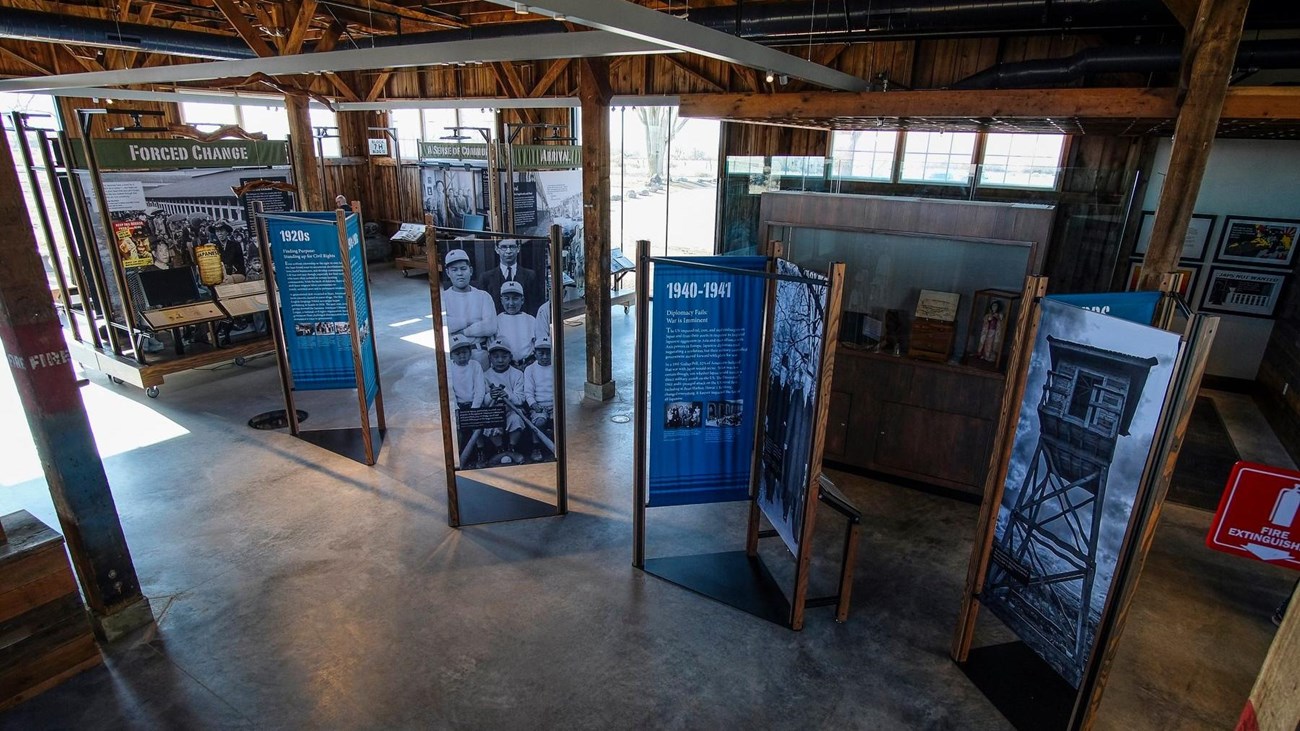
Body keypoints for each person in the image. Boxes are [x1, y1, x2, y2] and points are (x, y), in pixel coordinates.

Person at [441, 248, 496, 369]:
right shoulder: (443, 297)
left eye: (463, 269)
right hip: (455, 355)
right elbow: (445, 325)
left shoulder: (483, 296)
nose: (459, 273)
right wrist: (471, 321)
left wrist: (461, 331)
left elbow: (490, 327)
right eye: (454, 270)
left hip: (480, 354)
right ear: (447, 272)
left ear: (470, 270)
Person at [482, 339, 526, 460]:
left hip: (512, 409)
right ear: (490, 358)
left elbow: (520, 399)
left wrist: (506, 394)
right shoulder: (485, 375)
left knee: (516, 419)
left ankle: (511, 449)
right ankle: (500, 450)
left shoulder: (517, 374)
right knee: (490, 421)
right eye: (496, 357)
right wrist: (491, 395)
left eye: (504, 356)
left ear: (510, 357)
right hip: (494, 410)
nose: (500, 360)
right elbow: (484, 402)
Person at [447, 333, 486, 463]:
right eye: (458, 354)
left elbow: (480, 389)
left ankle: (481, 451)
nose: (462, 356)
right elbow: (450, 391)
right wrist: (457, 408)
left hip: (474, 405)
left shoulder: (475, 365)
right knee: (457, 428)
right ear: (452, 355)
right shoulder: (450, 369)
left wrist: (474, 409)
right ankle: (458, 455)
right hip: (458, 406)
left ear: (470, 352)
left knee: (477, 425)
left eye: (464, 352)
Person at [478, 239, 541, 315]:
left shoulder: (530, 275)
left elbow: (534, 306)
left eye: (512, 247)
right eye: (504, 247)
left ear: (518, 248)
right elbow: (482, 308)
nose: (508, 251)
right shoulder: (486, 278)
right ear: (497, 249)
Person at [523, 337, 555, 462]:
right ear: (535, 353)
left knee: (558, 421)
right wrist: (534, 404)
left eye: (548, 352)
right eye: (541, 353)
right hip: (539, 405)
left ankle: (558, 447)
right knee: (539, 421)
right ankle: (536, 447)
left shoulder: (556, 366)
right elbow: (528, 392)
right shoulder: (530, 369)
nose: (545, 356)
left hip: (555, 403)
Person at [495, 281, 536, 366]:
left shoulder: (531, 320)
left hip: (528, 365)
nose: (511, 303)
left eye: (515, 298)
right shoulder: (496, 320)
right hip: (505, 367)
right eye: (507, 298)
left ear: (522, 300)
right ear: (501, 300)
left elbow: (537, 344)